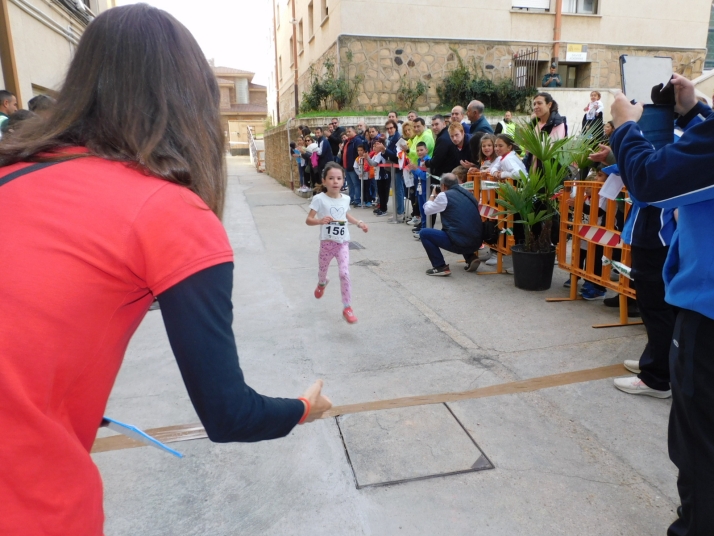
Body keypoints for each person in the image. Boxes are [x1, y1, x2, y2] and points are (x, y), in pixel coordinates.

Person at [0, 5, 332, 535]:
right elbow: (229, 415)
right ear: (191, 100)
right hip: (28, 501)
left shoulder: (13, 173)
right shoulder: (167, 211)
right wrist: (300, 407)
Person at [609, 74, 714, 536]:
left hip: (707, 312)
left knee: (700, 447)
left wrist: (625, 128)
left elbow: (651, 180)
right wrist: (694, 114)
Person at [306, 162, 368, 323]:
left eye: (339, 178)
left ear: (343, 181)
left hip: (342, 243)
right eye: (331, 178)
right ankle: (322, 283)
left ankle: (347, 307)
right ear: (324, 181)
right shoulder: (319, 199)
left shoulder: (346, 199)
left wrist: (359, 223)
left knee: (344, 273)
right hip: (326, 244)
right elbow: (308, 220)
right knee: (322, 272)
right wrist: (320, 221)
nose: (335, 181)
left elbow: (345, 215)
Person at [419, 173, 483, 275]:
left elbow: (427, 210)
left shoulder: (444, 195)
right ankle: (471, 257)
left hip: (460, 242)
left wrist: (432, 196)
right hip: (477, 243)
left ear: (443, 186)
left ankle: (440, 266)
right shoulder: (468, 194)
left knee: (424, 233)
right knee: (462, 225)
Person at [429, 115, 461, 182]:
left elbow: (437, 159)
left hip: (445, 176)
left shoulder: (443, 138)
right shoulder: (445, 134)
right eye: (432, 125)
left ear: (444, 123)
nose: (434, 127)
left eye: (437, 124)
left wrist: (427, 163)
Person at [341, 126, 366, 206]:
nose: (348, 133)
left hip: (353, 166)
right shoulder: (347, 141)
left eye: (349, 131)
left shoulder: (357, 140)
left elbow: (359, 153)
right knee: (350, 184)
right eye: (347, 132)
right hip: (346, 166)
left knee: (356, 184)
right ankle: (351, 198)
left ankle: (357, 199)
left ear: (354, 131)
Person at [410, 141, 431, 237]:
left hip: (426, 188)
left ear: (426, 150)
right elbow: (417, 175)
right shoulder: (419, 161)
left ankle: (426, 229)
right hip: (420, 188)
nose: (419, 152)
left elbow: (425, 176)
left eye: (421, 150)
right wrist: (412, 169)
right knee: (421, 209)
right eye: (418, 150)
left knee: (426, 209)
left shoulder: (428, 161)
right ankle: (423, 228)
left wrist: (416, 170)